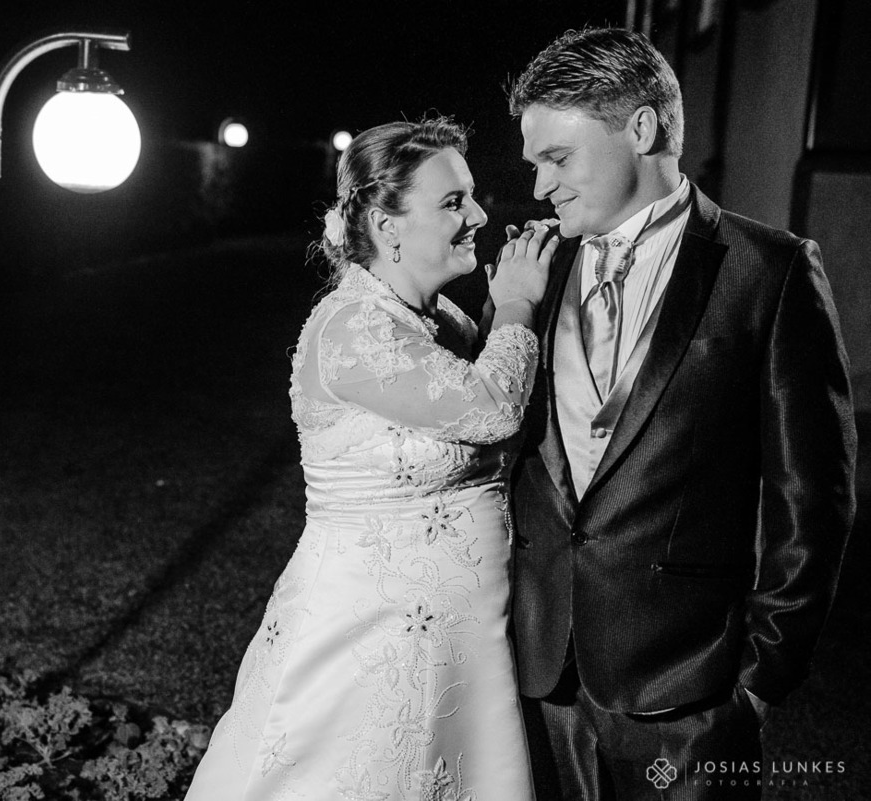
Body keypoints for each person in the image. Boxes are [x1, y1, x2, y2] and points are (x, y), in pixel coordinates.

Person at [505, 27, 857, 800]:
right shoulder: (535, 270)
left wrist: (760, 681)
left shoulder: (768, 271)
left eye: (556, 158)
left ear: (641, 128)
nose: (538, 187)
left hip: (689, 698)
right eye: (533, 163)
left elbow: (813, 500)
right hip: (541, 683)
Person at [184, 117, 557, 800]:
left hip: (453, 645)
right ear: (387, 225)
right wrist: (519, 304)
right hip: (369, 640)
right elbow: (493, 408)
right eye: (452, 202)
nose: (478, 214)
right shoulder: (354, 328)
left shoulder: (443, 320)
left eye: (470, 196)